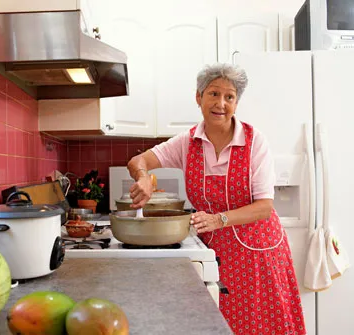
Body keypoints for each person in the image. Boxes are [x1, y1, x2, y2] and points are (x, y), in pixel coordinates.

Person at [127, 63, 306, 334]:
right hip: (215, 254)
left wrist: (218, 219)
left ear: (236, 102)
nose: (220, 103)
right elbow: (139, 160)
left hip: (258, 254)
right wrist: (143, 177)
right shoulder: (187, 142)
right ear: (198, 97)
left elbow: (264, 207)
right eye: (213, 94)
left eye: (229, 96)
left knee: (263, 325)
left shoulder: (254, 141)